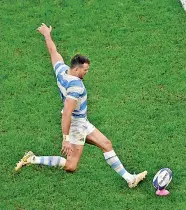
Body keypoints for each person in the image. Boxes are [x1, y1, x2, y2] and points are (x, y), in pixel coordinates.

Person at [15, 23, 147, 188]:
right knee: (71, 166)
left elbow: (53, 53)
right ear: (77, 70)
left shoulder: (62, 71)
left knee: (106, 144)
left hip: (82, 122)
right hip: (76, 125)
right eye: (85, 70)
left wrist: (47, 35)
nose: (86, 73)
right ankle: (32, 159)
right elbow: (67, 113)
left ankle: (130, 179)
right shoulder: (76, 87)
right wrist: (66, 139)